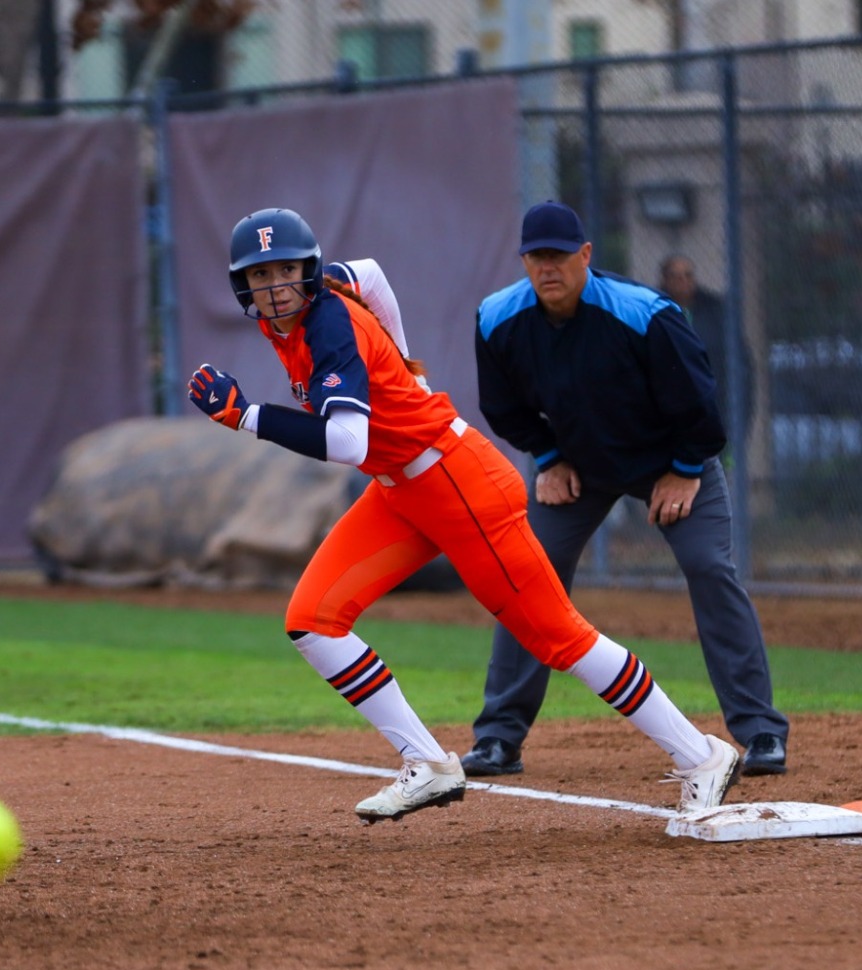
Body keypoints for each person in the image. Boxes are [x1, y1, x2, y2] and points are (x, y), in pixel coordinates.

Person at [187, 208, 742, 823]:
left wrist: (246, 415)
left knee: (559, 637)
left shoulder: (327, 325)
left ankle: (701, 755)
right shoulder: (303, 308)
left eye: (287, 270)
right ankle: (427, 764)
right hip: (401, 490)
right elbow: (369, 272)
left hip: (457, 483)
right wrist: (401, 358)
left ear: (308, 271)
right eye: (261, 275)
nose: (276, 286)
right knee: (313, 620)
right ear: (243, 286)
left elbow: (348, 442)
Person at [461, 202, 790, 780]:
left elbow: (702, 405)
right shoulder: (497, 318)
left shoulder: (645, 313)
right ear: (524, 262)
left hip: (671, 460)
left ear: (586, 256)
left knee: (709, 565)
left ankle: (760, 731)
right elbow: (503, 407)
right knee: (526, 574)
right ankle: (497, 739)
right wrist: (550, 457)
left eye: (560, 256)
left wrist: (687, 468)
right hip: (580, 467)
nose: (549, 268)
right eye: (537, 257)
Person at [658, 252, 754, 441]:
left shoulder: (714, 311)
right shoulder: (653, 310)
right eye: (676, 277)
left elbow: (740, 362)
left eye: (688, 275)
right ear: (665, 280)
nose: (683, 282)